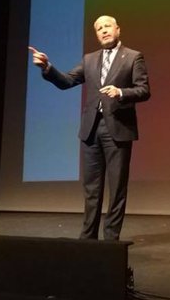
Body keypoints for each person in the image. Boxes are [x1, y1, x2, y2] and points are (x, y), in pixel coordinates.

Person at [28, 15, 150, 240]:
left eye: (107, 26)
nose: (103, 30)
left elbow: (143, 90)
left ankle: (111, 239)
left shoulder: (133, 57)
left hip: (118, 129)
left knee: (117, 189)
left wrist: (121, 92)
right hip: (91, 130)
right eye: (99, 28)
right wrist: (47, 67)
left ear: (118, 29)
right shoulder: (90, 59)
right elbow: (66, 81)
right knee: (92, 188)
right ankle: (88, 238)